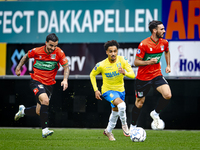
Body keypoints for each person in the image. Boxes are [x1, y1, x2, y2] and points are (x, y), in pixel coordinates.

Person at [14, 33, 70, 138]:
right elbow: (26, 56)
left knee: (39, 111)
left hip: (49, 84)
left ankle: (23, 111)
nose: (53, 48)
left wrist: (65, 80)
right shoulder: (36, 51)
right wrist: (18, 67)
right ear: (46, 43)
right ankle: (45, 130)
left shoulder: (59, 53)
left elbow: (66, 67)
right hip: (36, 81)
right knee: (45, 101)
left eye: (55, 46)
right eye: (51, 45)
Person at [130, 20, 172, 133]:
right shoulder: (144, 44)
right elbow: (136, 62)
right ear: (154, 30)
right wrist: (149, 62)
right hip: (143, 78)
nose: (164, 30)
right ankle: (133, 126)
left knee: (167, 95)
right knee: (139, 103)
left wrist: (168, 65)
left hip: (157, 74)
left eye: (163, 28)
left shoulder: (164, 43)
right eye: (161, 29)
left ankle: (155, 113)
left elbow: (167, 51)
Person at [90, 40, 135, 141]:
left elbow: (132, 74)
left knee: (115, 112)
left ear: (117, 51)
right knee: (122, 105)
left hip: (121, 91)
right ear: (106, 52)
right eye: (110, 51)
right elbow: (92, 75)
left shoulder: (123, 60)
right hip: (107, 91)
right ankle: (125, 125)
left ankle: (108, 131)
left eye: (115, 51)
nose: (113, 53)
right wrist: (96, 90)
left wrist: (124, 72)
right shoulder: (101, 65)